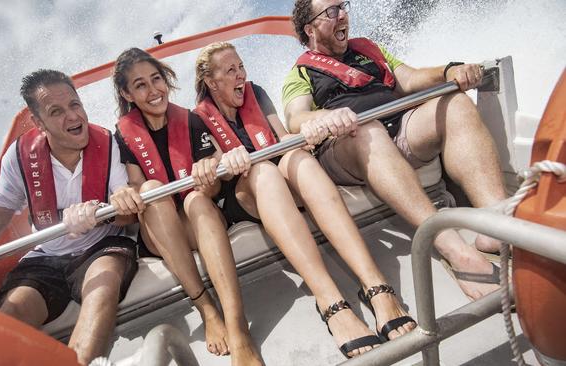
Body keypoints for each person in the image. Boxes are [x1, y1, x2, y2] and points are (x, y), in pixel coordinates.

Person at [193, 41, 416, 359]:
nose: (241, 74)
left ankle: (376, 285)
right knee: (263, 174)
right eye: (231, 70)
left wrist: (305, 134)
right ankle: (331, 304)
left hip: (278, 174)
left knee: (301, 160)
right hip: (244, 193)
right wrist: (228, 161)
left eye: (241, 66)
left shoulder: (256, 92)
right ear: (212, 83)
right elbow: (217, 176)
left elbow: (281, 137)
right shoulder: (197, 119)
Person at [283, 0, 508, 300]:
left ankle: (498, 228)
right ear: (310, 29)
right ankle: (456, 252)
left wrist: (449, 71)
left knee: (457, 104)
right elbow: (296, 117)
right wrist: (324, 117)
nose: (343, 15)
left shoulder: (369, 50)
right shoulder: (299, 73)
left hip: (399, 129)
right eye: (331, 11)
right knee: (369, 130)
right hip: (348, 146)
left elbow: (411, 78)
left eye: (343, 6)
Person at [0, 69, 138, 365]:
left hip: (101, 246)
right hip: (45, 257)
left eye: (75, 105)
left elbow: (128, 212)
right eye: (56, 111)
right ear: (38, 123)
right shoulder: (18, 157)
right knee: (14, 309)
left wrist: (100, 215)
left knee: (103, 285)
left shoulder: (108, 143)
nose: (73, 117)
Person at [109, 47, 263, 366]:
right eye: (140, 85)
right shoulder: (123, 135)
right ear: (127, 93)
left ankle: (237, 326)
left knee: (196, 198)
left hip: (197, 217)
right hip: (159, 231)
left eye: (156, 79)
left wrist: (209, 175)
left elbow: (216, 179)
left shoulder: (190, 121)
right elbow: (137, 190)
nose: (153, 90)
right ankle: (206, 307)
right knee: (150, 191)